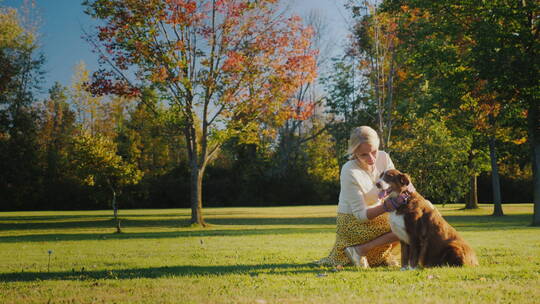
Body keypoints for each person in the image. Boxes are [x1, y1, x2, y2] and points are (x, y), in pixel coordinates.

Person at [316, 126, 400, 267]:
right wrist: (387, 206)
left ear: (378, 145)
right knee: (408, 226)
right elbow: (360, 215)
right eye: (363, 155)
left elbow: (399, 187)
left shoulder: (384, 157)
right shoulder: (349, 170)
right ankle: (360, 250)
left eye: (374, 152)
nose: (372, 159)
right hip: (353, 222)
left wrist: (423, 204)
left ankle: (381, 255)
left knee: (418, 218)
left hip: (381, 216)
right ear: (354, 152)